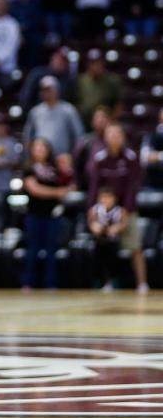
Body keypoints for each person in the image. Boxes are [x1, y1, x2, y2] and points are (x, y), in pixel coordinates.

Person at [89, 123, 148, 293]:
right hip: (104, 210)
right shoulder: (100, 159)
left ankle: (142, 283)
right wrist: (93, 209)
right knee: (106, 248)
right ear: (105, 137)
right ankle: (107, 282)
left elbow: (133, 186)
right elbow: (94, 187)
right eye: (110, 134)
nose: (114, 137)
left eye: (117, 134)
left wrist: (126, 211)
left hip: (126, 209)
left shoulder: (130, 157)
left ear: (123, 137)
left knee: (135, 245)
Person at [21, 138, 72, 291]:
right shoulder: (29, 167)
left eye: (43, 148)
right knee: (33, 249)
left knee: (52, 249)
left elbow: (68, 184)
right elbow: (34, 189)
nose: (40, 151)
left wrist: (67, 168)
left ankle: (51, 283)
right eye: (37, 148)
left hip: (53, 214)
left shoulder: (55, 168)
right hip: (34, 213)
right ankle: (28, 283)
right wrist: (56, 192)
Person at [23, 75, 84, 157]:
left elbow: (79, 135)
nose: (46, 93)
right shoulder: (35, 111)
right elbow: (27, 136)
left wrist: (73, 156)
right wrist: (29, 155)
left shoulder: (68, 110)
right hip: (41, 159)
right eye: (43, 90)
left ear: (57, 90)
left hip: (62, 158)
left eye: (49, 90)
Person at [88, 187, 127, 292]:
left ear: (114, 199)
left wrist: (116, 228)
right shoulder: (95, 210)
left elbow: (123, 224)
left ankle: (113, 283)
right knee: (97, 263)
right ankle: (97, 284)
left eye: (109, 197)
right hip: (99, 242)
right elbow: (91, 224)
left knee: (113, 263)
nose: (106, 200)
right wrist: (95, 228)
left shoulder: (120, 211)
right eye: (104, 197)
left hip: (113, 242)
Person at [74, 49, 121, 127]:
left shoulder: (112, 80)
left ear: (103, 63)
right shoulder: (81, 80)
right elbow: (76, 102)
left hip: (105, 123)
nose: (95, 66)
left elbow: (118, 105)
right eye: (92, 62)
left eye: (98, 62)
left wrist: (111, 121)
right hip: (84, 123)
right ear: (88, 64)